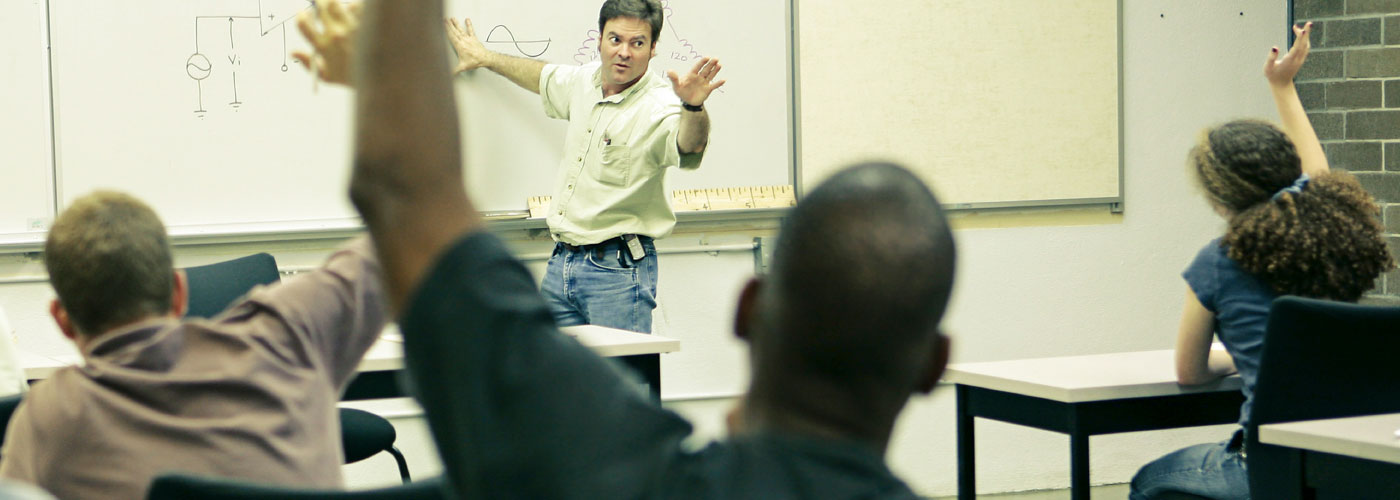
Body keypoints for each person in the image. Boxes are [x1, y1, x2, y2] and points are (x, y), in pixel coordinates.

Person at [337, 1, 956, 497]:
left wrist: (693, 106)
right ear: (932, 366)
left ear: (749, 309)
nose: (624, 51)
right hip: (563, 266)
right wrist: (483, 56)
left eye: (637, 42)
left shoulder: (647, 474)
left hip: (617, 274)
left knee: (603, 397)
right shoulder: (583, 84)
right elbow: (542, 77)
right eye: (615, 40)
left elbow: (687, 146)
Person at [1129, 23, 1394, 500]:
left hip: (1269, 470)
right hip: (1360, 467)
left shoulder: (1219, 259)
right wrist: (1282, 85)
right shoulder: (1336, 235)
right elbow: (1319, 174)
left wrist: (1242, 359)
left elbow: (1190, 372)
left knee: (1150, 480)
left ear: (1217, 198)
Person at [0, 191, 388, 500]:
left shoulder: (47, 418)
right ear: (180, 291)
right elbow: (407, 226)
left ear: (61, 318)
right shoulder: (290, 337)